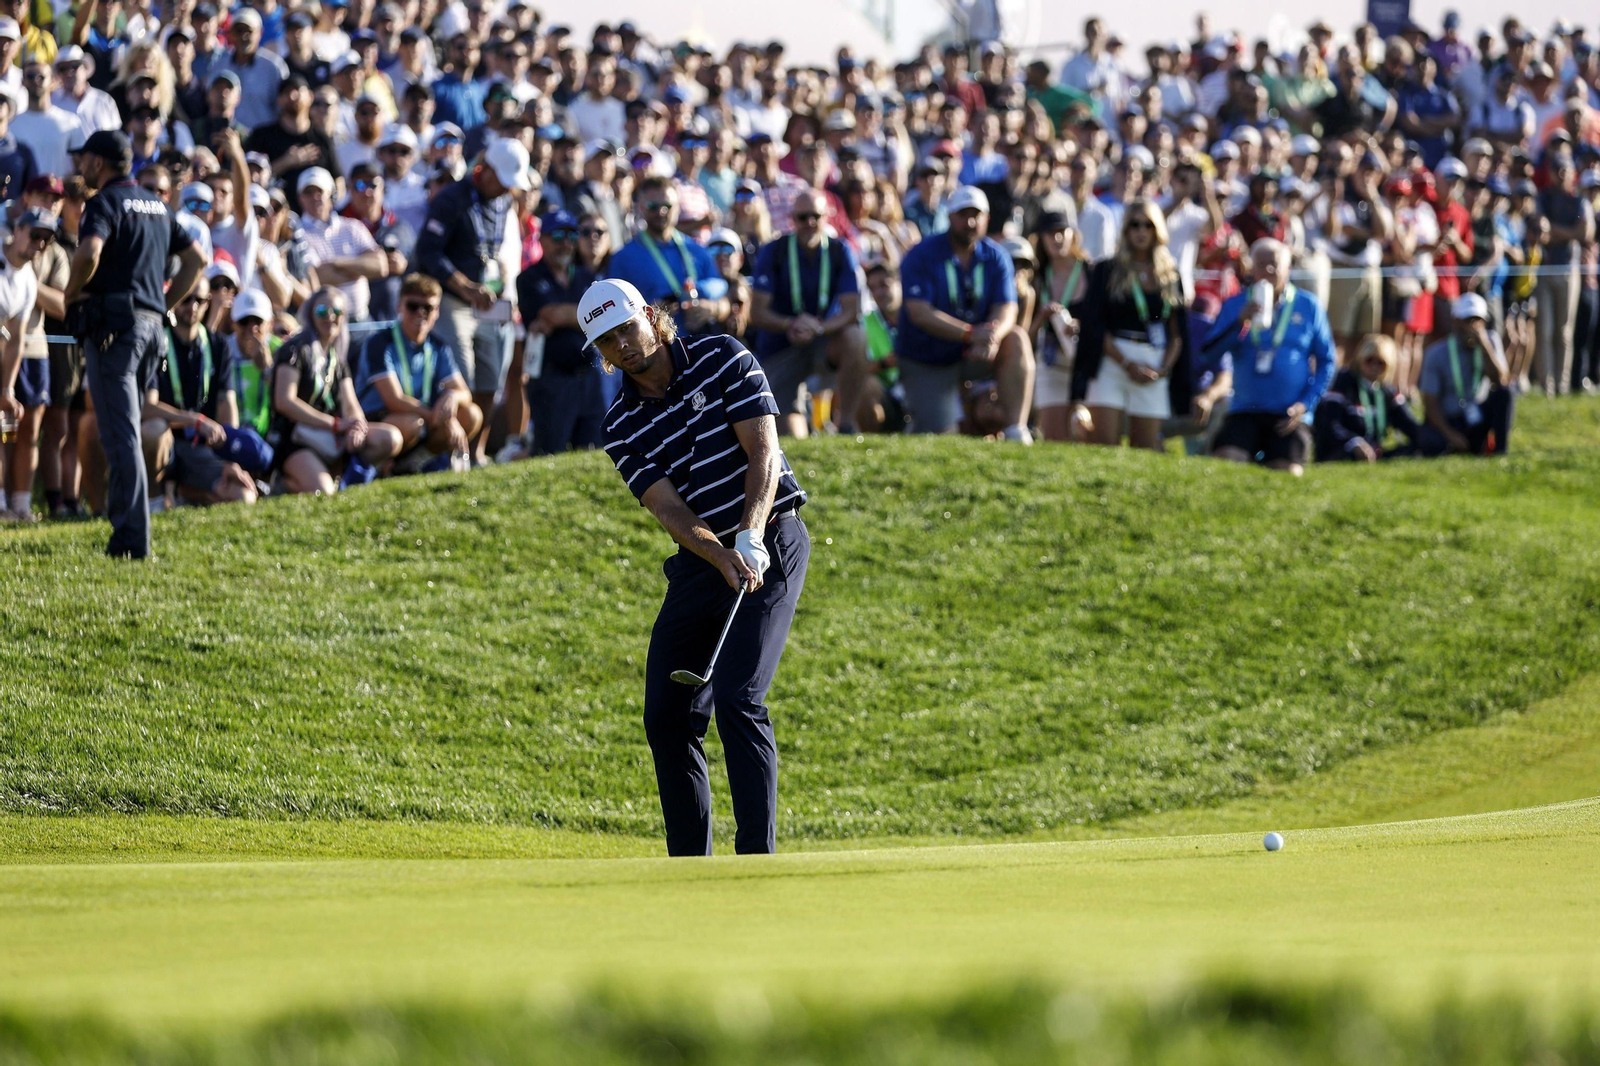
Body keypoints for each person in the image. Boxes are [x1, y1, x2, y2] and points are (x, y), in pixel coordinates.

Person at [582, 276, 809, 857]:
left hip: (772, 539)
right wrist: (719, 553)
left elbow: (764, 453)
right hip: (703, 557)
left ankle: (756, 860)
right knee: (666, 714)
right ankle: (690, 867)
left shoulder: (723, 357)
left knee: (739, 695)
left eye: (627, 329)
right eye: (607, 342)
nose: (623, 347)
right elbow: (670, 509)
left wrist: (750, 536)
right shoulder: (621, 426)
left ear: (651, 317)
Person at [64, 129, 207, 558]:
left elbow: (89, 253)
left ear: (97, 163)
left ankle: (131, 539)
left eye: (86, 159)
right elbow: (198, 259)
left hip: (115, 331)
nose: (82, 166)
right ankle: (128, 527)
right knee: (126, 429)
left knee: (120, 433)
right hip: (151, 329)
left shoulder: (105, 202)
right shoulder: (159, 205)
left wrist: (71, 292)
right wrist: (164, 303)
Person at [413, 136, 529, 464]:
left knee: (492, 376)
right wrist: (464, 287)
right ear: (487, 170)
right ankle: (453, 453)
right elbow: (428, 252)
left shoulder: (505, 201)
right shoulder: (451, 198)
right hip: (454, 299)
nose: (509, 189)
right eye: (504, 181)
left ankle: (476, 451)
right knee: (461, 372)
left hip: (488, 300)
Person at [895, 185, 1033, 440]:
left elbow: (1007, 307)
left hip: (974, 351)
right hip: (927, 358)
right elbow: (920, 314)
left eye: (976, 215)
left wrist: (992, 335)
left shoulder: (997, 256)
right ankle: (917, 421)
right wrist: (971, 334)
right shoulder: (922, 255)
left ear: (987, 219)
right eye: (962, 215)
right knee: (939, 437)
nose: (970, 222)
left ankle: (1016, 430)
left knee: (1015, 339)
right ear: (949, 217)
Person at [1201, 238, 1336, 476]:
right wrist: (1238, 323)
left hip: (1288, 414)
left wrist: (1305, 405)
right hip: (1245, 409)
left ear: (1288, 269)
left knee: (1288, 474)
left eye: (1275, 264)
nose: (1269, 270)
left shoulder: (1308, 306)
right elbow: (1209, 353)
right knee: (1227, 465)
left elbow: (1327, 361)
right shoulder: (1236, 304)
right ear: (1252, 268)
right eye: (1262, 264)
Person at [746, 188, 870, 438]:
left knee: (856, 337)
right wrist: (791, 324)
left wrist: (819, 328)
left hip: (822, 339)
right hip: (780, 347)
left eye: (816, 216)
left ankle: (845, 425)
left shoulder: (839, 250)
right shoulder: (774, 251)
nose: (810, 223)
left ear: (827, 217)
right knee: (793, 437)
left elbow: (851, 310)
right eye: (802, 217)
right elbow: (757, 312)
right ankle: (806, 422)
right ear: (792, 218)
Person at [1073, 199, 1192, 451]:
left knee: (1145, 449)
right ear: (1125, 230)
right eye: (1134, 225)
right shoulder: (1107, 269)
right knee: (1104, 445)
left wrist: (1162, 369)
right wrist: (1126, 363)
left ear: (1157, 230)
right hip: (1113, 359)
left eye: (1148, 225)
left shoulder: (1171, 274)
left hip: (1154, 361)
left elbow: (1177, 334)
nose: (1141, 231)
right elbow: (1095, 325)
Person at [273, 286, 404, 493]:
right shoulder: (295, 350)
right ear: (310, 314)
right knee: (322, 491)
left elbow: (351, 403)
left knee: (390, 438)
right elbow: (284, 401)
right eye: (322, 311)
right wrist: (334, 425)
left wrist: (356, 427)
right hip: (296, 439)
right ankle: (283, 483)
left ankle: (345, 476)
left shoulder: (337, 358)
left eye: (338, 312)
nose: (330, 317)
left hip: (331, 434)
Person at [142, 277, 259, 508]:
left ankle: (186, 492)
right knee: (152, 430)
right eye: (186, 299)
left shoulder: (217, 345)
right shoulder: (157, 340)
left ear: (208, 303)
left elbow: (228, 406)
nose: (193, 307)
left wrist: (229, 457)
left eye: (200, 300)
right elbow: (146, 407)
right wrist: (195, 420)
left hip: (203, 448)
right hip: (168, 442)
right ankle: (154, 500)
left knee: (244, 498)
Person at [354, 272, 481, 472]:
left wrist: (452, 397)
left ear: (437, 311)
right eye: (413, 306)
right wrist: (445, 419)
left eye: (428, 308)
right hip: (379, 419)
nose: (420, 313)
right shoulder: (379, 342)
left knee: (471, 414)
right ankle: (379, 468)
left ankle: (415, 463)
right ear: (399, 306)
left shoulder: (438, 345)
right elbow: (394, 400)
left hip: (421, 416)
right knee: (413, 424)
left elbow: (464, 392)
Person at [514, 209, 606, 456]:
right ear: (542, 239)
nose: (565, 243)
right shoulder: (529, 278)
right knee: (550, 452)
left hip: (589, 374)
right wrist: (587, 314)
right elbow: (548, 315)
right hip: (551, 378)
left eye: (571, 236)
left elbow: (601, 318)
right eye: (557, 236)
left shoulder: (586, 276)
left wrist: (564, 315)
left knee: (593, 452)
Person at [0, 209, 55, 520]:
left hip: (6, 353)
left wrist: (7, 388)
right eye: (36, 235)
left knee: (5, 428)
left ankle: (12, 506)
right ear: (18, 229)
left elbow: (17, 339)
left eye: (47, 239)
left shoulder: (28, 281)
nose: (40, 244)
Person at [1418, 292, 1515, 456]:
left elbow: (1501, 380)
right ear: (1455, 321)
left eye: (1476, 321)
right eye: (1466, 321)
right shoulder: (1436, 353)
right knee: (1429, 441)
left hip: (1477, 415)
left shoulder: (1490, 341)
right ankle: (1453, 445)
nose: (1471, 326)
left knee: (1506, 393)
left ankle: (1500, 452)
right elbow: (1430, 403)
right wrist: (1451, 435)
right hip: (1451, 419)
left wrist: (1484, 345)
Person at [1028, 207, 1092, 442]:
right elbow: (1027, 336)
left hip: (1084, 363)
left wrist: (1080, 326)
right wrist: (1041, 319)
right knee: (1054, 437)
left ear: (1072, 234)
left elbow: (1102, 321)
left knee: (1086, 432)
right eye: (1049, 233)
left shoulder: (1091, 271)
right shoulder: (1036, 276)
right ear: (1040, 238)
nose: (1056, 238)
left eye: (1061, 231)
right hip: (1050, 360)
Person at [1315, 333, 1423, 461]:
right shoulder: (1342, 382)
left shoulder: (1386, 391)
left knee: (1423, 446)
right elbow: (1329, 426)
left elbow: (1411, 426)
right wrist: (1354, 443)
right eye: (1369, 360)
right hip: (1341, 449)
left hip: (1373, 452)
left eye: (1380, 363)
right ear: (1360, 359)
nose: (1374, 367)